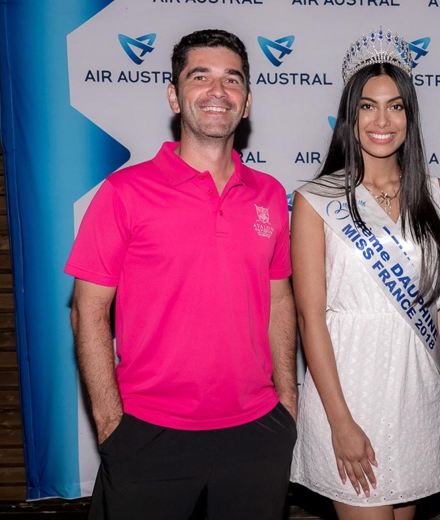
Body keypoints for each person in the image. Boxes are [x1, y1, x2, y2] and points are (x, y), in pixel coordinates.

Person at [65, 29, 297, 520]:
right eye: (200, 77)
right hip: (148, 434)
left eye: (232, 80)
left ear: (247, 101)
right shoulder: (125, 192)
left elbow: (280, 300)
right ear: (174, 95)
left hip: (256, 435)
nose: (218, 92)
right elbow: (88, 311)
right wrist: (110, 424)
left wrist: (288, 404)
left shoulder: (271, 194)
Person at [289, 28, 440, 520]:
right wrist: (339, 422)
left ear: (410, 115)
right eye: (367, 106)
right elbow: (311, 319)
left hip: (416, 393)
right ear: (350, 116)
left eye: (395, 106)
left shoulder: (439, 196)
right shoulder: (315, 201)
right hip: (348, 391)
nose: (381, 120)